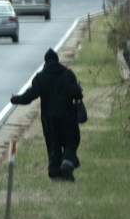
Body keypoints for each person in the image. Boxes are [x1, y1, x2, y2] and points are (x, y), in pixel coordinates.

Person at [10, 48, 83, 181]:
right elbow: (76, 93)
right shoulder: (67, 74)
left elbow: (29, 96)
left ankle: (55, 173)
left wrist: (15, 99)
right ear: (57, 60)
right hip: (67, 116)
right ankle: (67, 161)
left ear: (46, 62)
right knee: (72, 141)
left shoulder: (41, 77)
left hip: (49, 119)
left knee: (53, 145)